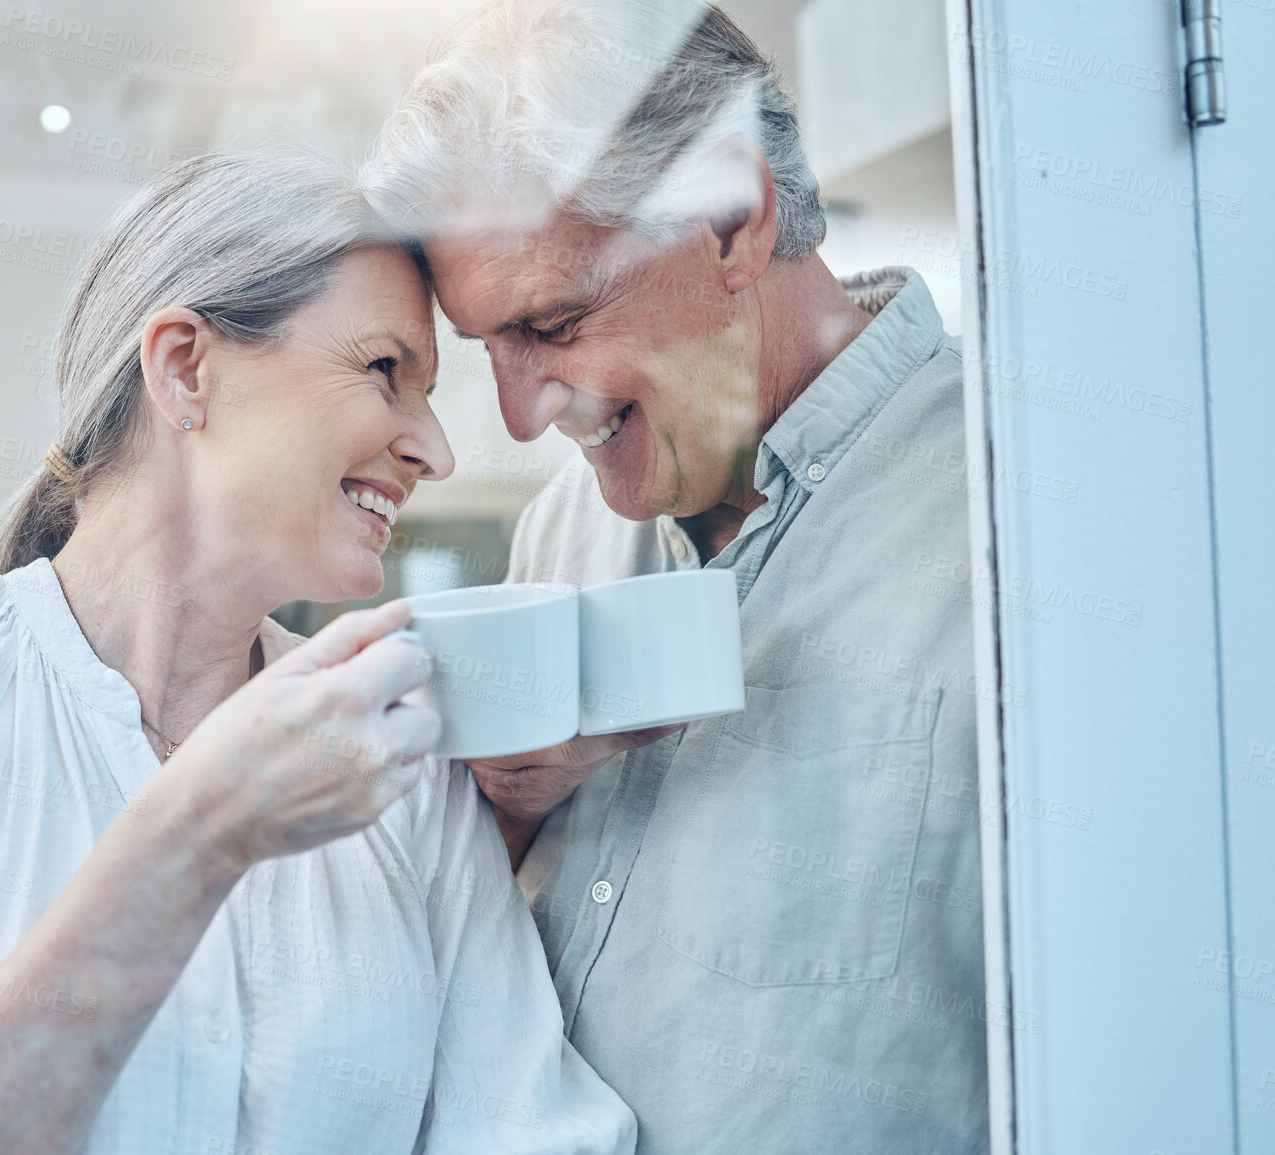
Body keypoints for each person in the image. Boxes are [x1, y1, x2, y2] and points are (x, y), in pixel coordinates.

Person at [0, 150, 636, 1155]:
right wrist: (195, 839)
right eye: (383, 371)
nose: (436, 452)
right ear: (185, 367)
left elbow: (535, 1134)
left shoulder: (399, 759)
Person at [363, 3, 989, 1151]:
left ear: (733, 221)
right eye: (487, 348)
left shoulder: (1016, 513)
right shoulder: (562, 531)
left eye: (550, 322)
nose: (519, 410)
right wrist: (500, 817)